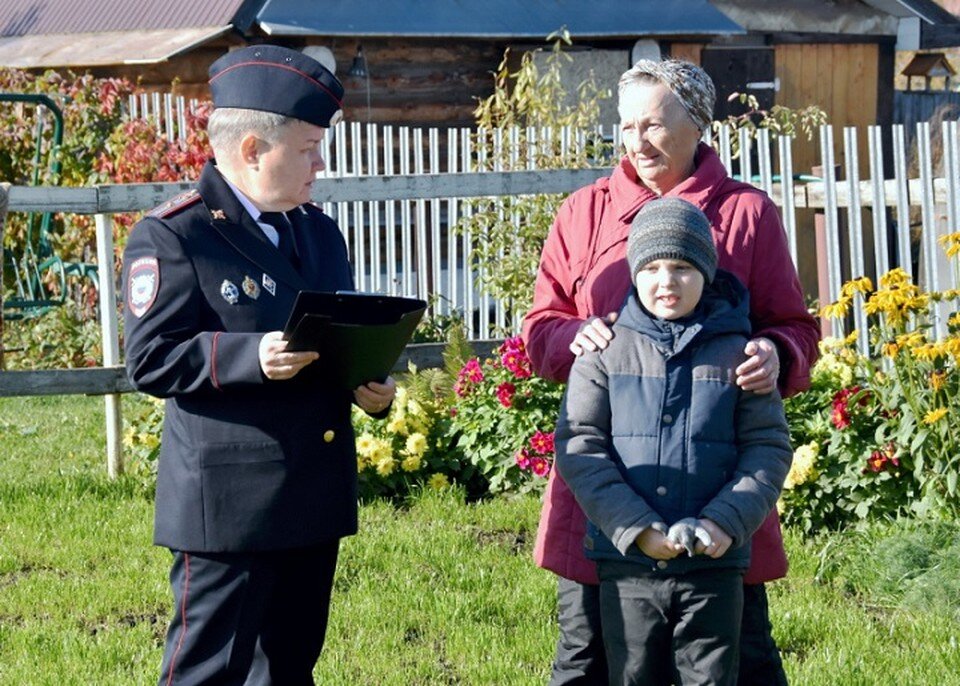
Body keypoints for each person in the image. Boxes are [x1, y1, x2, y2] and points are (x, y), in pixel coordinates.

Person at [522, 59, 820, 685]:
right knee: (590, 656)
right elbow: (540, 329)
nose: (638, 142)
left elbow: (797, 327)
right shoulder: (584, 212)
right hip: (608, 497)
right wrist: (578, 336)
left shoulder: (747, 215)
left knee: (738, 657)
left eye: (654, 124)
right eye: (628, 127)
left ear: (698, 124)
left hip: (716, 492)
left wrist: (775, 351)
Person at [122, 44, 396, 685]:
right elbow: (150, 359)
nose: (319, 165)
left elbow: (333, 336)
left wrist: (368, 383)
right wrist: (251, 356)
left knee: (289, 668)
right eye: (305, 150)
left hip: (311, 489)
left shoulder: (318, 232)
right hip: (229, 506)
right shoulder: (175, 236)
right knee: (207, 670)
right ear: (250, 150)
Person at [555, 197, 793, 686]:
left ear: (706, 271)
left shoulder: (740, 354)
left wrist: (725, 521)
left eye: (683, 267)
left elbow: (767, 448)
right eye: (654, 267)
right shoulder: (603, 350)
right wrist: (636, 527)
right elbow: (580, 445)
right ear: (634, 272)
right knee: (633, 672)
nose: (667, 281)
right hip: (628, 562)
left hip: (713, 563)